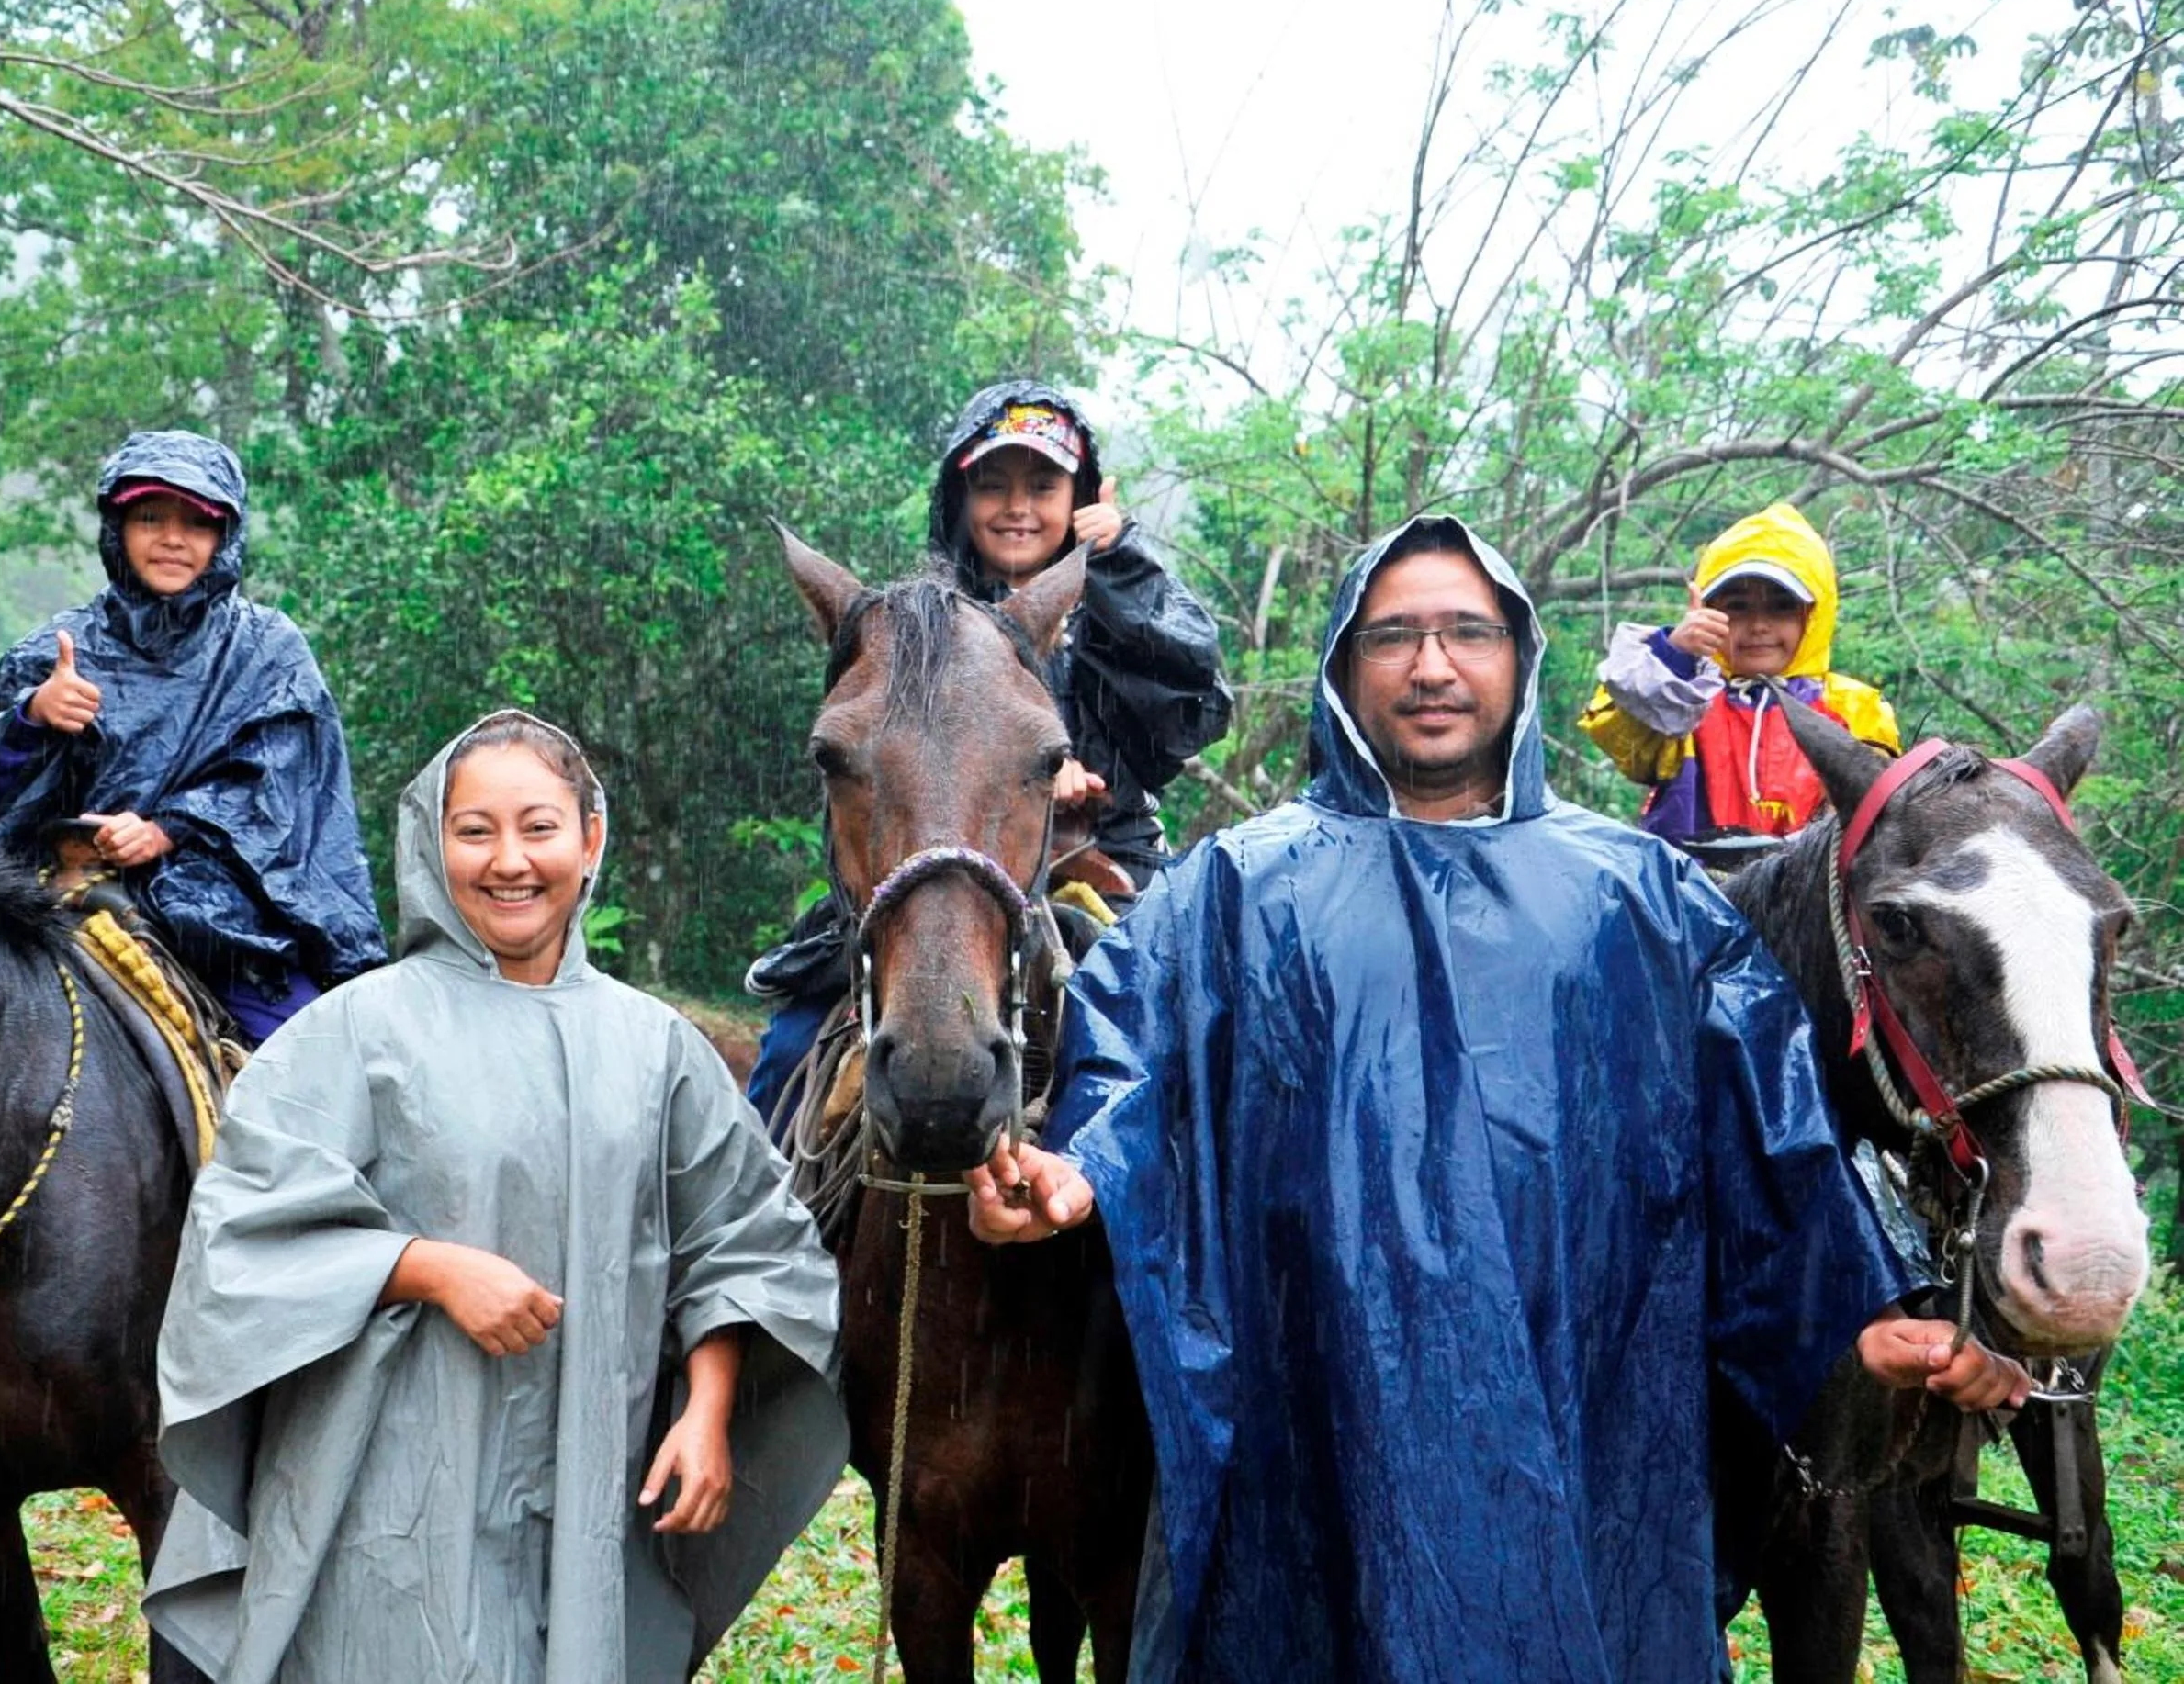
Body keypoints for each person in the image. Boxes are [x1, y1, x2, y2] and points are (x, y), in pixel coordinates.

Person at [961, 515, 2030, 1679]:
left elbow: (1766, 1139)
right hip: (1315, 1425)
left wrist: (1855, 1315)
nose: (1430, 666)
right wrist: (1076, 1168)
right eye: (1395, 636)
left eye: (1466, 632)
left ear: (1518, 659)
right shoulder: (1236, 887)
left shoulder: (1646, 903)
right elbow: (1129, 1049)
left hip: (1584, 1424)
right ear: (1343, 663)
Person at [141, 712, 846, 1683]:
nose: (508, 861)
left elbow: (740, 1239)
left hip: (591, 1484)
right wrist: (423, 1266)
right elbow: (240, 1237)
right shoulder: (351, 1032)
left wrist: (709, 1407)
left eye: (538, 826)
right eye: (474, 830)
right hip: (386, 1493)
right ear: (432, 842)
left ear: (589, 837)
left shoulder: (657, 1050)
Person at [0, 430, 387, 1432]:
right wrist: (36, 725)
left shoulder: (268, 652)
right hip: (50, 904)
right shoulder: (47, 651)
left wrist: (173, 828)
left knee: (314, 1060)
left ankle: (348, 1289)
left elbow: (289, 790)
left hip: (215, 918)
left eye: (194, 521)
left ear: (226, 535)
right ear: (115, 527)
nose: (171, 538)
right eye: (150, 517)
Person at [744, 381, 1233, 1124]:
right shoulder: (917, 626)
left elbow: (1192, 703)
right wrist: (1012, 777)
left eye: (1043, 486)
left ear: (1083, 496)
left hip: (1106, 858)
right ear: (957, 498)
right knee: (792, 1042)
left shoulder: (1121, 604)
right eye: (992, 486)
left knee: (1192, 1053)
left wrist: (1122, 562)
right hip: (936, 851)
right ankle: (761, 1191)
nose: (1018, 508)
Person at [1580, 501, 1899, 845]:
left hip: (1806, 891)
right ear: (1707, 610)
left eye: (1781, 607)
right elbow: (1626, 746)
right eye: (1737, 607)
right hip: (1685, 887)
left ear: (1814, 616)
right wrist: (1674, 654)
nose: (1759, 625)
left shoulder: (1856, 708)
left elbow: (1874, 815)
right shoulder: (1685, 697)